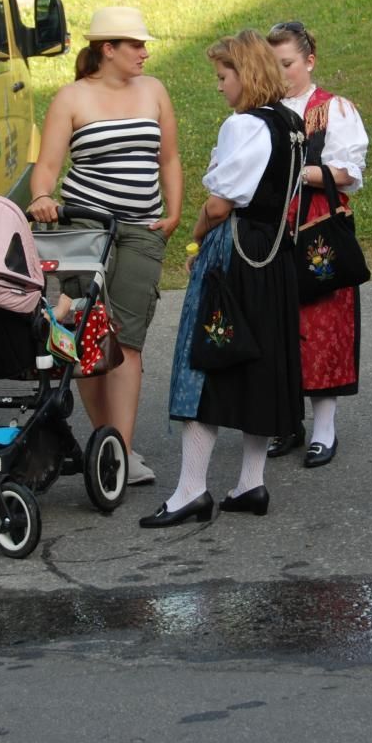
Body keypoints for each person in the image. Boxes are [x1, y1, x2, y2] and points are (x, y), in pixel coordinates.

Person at [145, 29, 305, 527]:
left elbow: (220, 203)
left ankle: (192, 490)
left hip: (236, 253)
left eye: (223, 76)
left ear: (246, 73)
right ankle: (250, 484)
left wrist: (194, 239)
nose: (219, 86)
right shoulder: (292, 122)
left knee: (206, 363)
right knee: (259, 364)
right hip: (274, 258)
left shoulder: (244, 126)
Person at [28, 6, 182, 486]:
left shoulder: (154, 90)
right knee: (90, 338)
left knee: (129, 340)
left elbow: (170, 159)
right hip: (84, 229)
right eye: (134, 45)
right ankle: (106, 445)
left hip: (141, 230)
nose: (144, 52)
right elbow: (48, 166)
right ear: (107, 49)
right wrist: (41, 197)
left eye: (144, 45)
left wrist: (173, 213)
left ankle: (121, 450)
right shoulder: (72, 97)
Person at [266, 21, 370, 468]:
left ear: (309, 61)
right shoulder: (259, 110)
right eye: (273, 65)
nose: (280, 72)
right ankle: (286, 421)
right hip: (270, 230)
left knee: (323, 322)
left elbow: (348, 172)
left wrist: (295, 171)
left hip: (317, 226)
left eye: (287, 63)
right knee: (276, 321)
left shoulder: (333, 110)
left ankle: (324, 427)